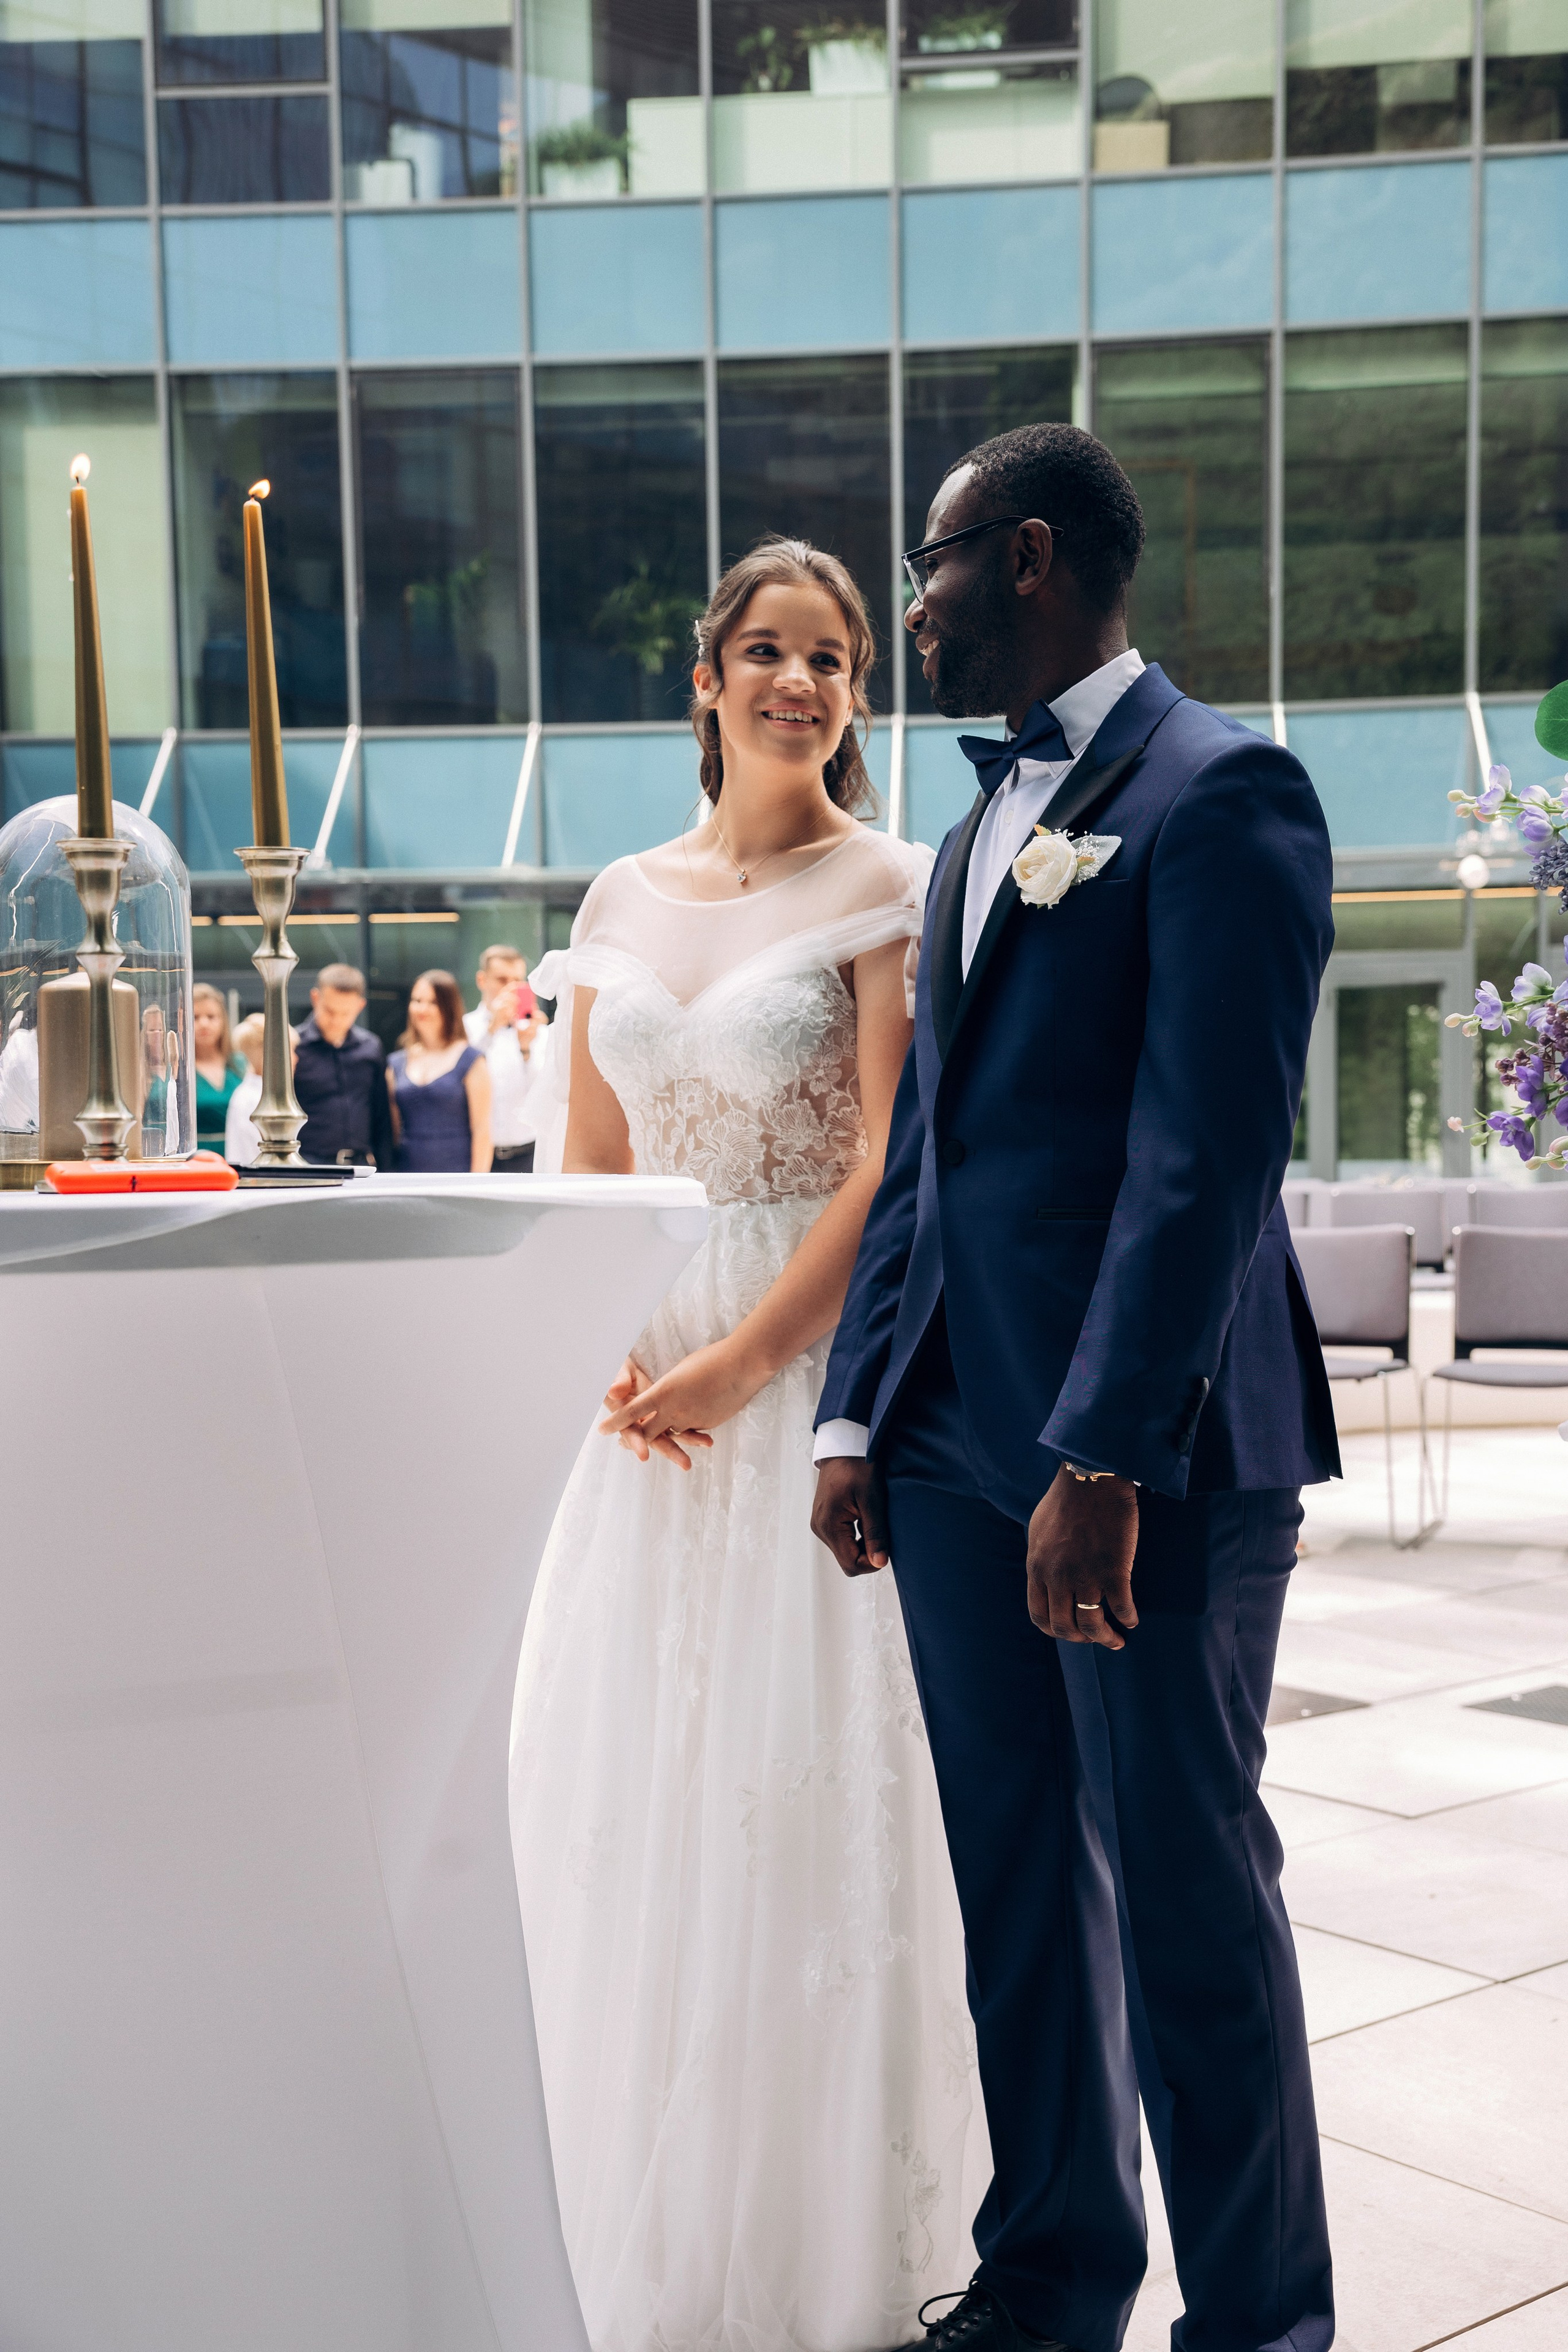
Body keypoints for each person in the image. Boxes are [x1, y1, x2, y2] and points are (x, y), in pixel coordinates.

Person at [812, 424, 1340, 2352]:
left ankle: (1261, 2324)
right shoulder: (966, 832)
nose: (915, 606)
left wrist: (1105, 1447)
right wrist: (864, 1405)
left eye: (931, 567)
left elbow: (1207, 1157)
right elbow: (935, 1161)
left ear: (1023, 557)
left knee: (1189, 1902)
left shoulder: (1224, 794)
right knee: (1020, 1887)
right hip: (951, 1454)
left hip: (1143, 1462)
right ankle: (1048, 2278)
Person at [511, 541, 985, 2352]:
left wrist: (733, 1362)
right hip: (634, 1399)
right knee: (629, 1787)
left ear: (852, 693)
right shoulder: (615, 898)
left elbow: (885, 1169)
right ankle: (620, 2185)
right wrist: (593, 1348)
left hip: (797, 1378)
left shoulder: (887, 884)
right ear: (705, 676)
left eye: (834, 655)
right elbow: (586, 1154)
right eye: (771, 649)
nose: (803, 678)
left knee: (798, 1799)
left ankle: (816, 2229)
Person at [387, 969, 491, 1172]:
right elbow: (393, 1132)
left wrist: (477, 1186)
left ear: (448, 1007)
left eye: (433, 1002)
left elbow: (482, 1132)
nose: (422, 1009)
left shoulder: (471, 1060)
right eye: (417, 1001)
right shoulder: (396, 1063)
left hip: (457, 1177)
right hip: (406, 1176)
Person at [293, 962, 396, 1168]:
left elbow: (381, 1116)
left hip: (362, 1167)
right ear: (315, 998)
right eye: (330, 1011)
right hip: (308, 1167)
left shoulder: (371, 1047)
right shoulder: (294, 1046)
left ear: (360, 1006)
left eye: (346, 1013)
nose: (337, 1021)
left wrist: (387, 1171)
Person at [464, 943, 548, 1171]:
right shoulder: (465, 1028)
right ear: (482, 981)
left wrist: (526, 1049)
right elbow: (460, 1076)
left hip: (527, 1154)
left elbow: (543, 1095)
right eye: (502, 980)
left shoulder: (538, 1032)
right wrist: (492, 1028)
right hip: (478, 1155)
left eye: (517, 981)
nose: (510, 988)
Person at [224, 1010, 299, 1166]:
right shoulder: (256, 1099)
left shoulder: (249, 1094)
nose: (296, 1058)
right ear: (273, 1055)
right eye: (290, 1050)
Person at [191, 983, 246, 1156]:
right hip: (196, 1162)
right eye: (195, 1017)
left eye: (211, 1016)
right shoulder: (178, 1070)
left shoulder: (241, 1064)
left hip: (241, 1158)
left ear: (223, 1021)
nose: (204, 1024)